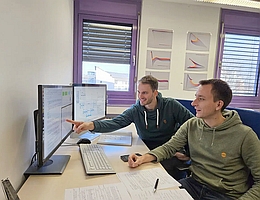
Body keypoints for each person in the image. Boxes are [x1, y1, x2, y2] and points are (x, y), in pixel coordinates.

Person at [128, 78, 260, 200]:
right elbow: (169, 147)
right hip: (194, 185)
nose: (193, 103)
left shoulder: (245, 135)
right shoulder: (192, 124)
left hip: (224, 194)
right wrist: (143, 158)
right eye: (195, 97)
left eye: (201, 99)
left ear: (218, 104)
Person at [66, 75, 194, 180]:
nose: (140, 96)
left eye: (144, 93)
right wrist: (90, 125)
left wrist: (187, 152)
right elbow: (115, 122)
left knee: (149, 175)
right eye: (139, 92)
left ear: (155, 93)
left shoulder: (171, 106)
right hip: (146, 148)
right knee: (131, 171)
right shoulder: (136, 110)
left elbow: (194, 125)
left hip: (168, 151)